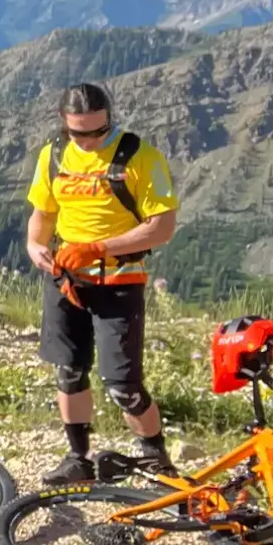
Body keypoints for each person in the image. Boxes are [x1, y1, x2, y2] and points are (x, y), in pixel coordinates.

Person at [25, 82, 180, 484]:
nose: (91, 141)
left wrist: (98, 247)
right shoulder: (54, 156)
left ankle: (156, 458)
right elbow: (43, 212)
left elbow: (161, 228)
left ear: (110, 117)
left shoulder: (140, 157)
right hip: (65, 281)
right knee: (68, 370)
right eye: (80, 133)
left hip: (119, 281)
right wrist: (34, 245)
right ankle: (78, 458)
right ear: (64, 125)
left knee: (123, 384)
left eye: (98, 131)